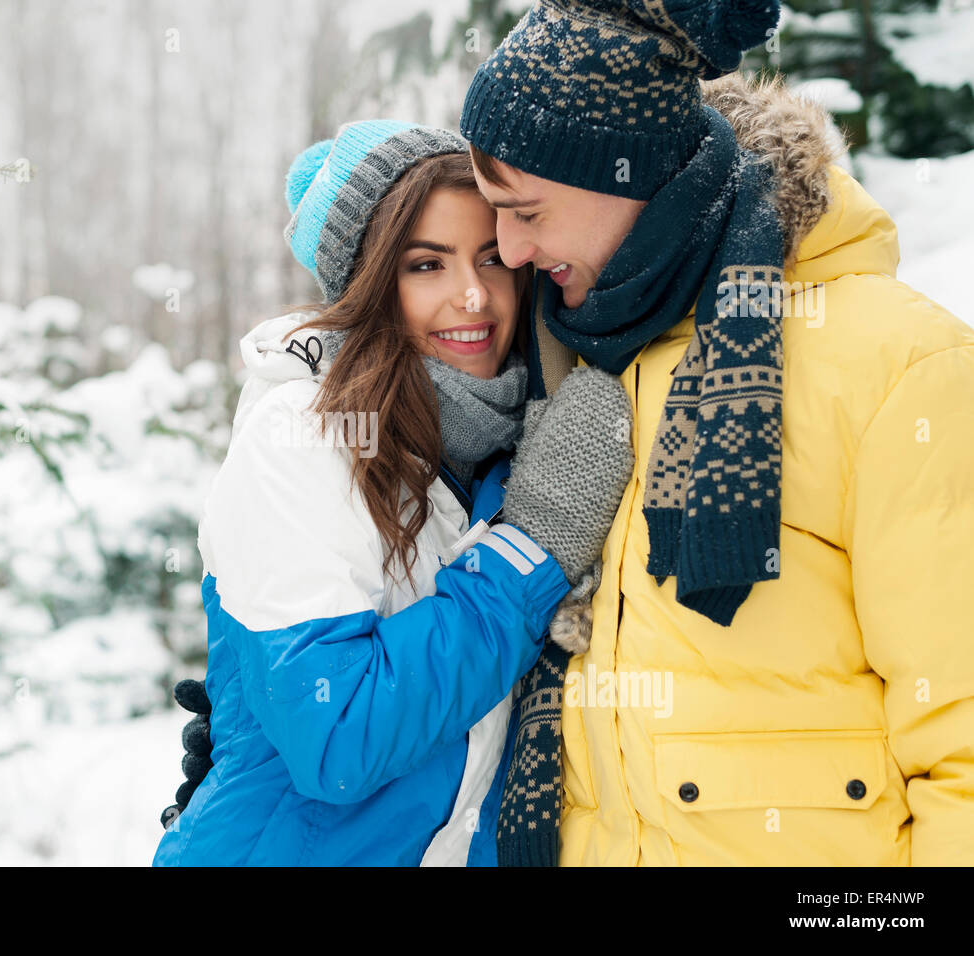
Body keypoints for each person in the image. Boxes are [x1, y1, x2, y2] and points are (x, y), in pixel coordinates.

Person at [457, 0, 974, 864]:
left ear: (627, 175)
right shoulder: (575, 362)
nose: (507, 249)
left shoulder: (902, 368)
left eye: (528, 212)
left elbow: (961, 733)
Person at [153, 120, 634, 865]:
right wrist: (530, 549)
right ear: (371, 286)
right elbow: (339, 735)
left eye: (488, 259)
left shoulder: (498, 446)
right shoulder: (306, 436)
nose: (473, 295)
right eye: (426, 266)